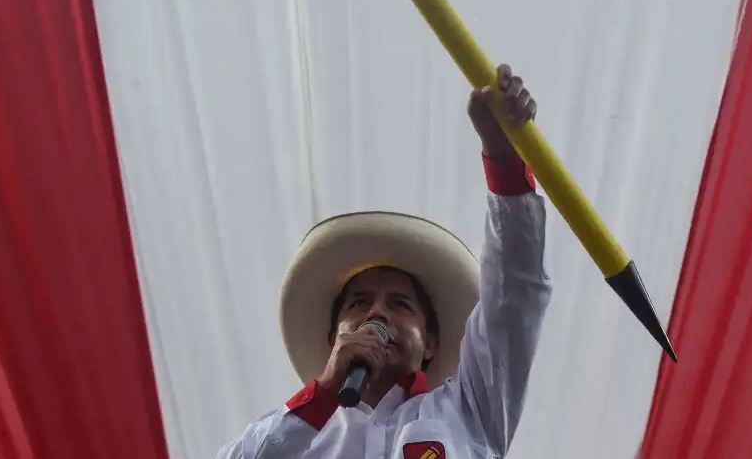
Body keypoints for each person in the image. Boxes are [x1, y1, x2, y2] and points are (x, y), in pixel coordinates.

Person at [217, 64, 550, 459]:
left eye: (400, 304)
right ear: (333, 340)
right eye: (359, 302)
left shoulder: (469, 412)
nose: (377, 314)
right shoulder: (296, 438)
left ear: (431, 342)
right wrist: (322, 393)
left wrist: (503, 154)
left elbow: (514, 295)